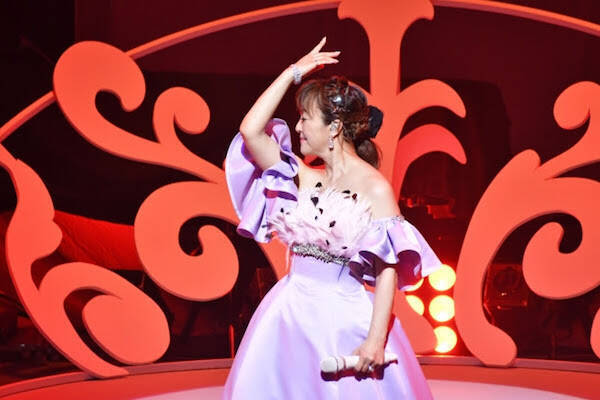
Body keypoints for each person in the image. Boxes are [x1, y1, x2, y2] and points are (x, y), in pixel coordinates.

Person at [222, 37, 441, 399]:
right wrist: (292, 73)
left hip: (342, 319)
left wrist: (375, 340)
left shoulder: (374, 188)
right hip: (289, 316)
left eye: (305, 119)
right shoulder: (304, 177)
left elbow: (387, 270)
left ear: (334, 128)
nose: (297, 128)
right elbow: (250, 131)